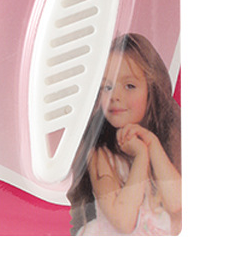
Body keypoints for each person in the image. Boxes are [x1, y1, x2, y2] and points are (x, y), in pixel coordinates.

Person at [67, 33, 181, 235]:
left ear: (151, 90)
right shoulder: (101, 157)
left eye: (130, 86)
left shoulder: (162, 146)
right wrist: (141, 157)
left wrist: (152, 144)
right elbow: (124, 221)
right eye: (107, 87)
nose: (115, 96)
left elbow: (178, 204)